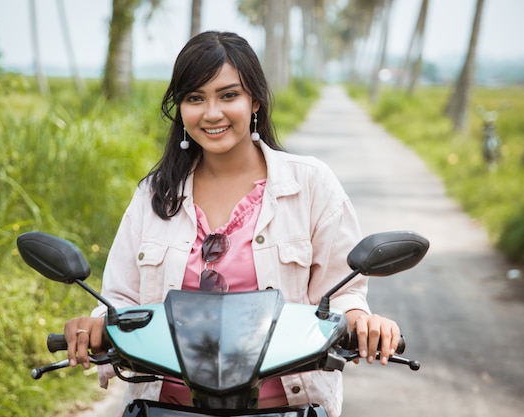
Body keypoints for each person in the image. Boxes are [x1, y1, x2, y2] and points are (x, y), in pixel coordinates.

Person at [64, 31, 401, 417]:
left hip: (285, 408)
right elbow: (120, 300)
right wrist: (95, 325)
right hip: (166, 408)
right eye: (195, 98)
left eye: (228, 95)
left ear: (254, 99)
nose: (211, 113)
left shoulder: (310, 185)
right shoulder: (155, 196)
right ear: (180, 108)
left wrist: (361, 320)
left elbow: (342, 293)